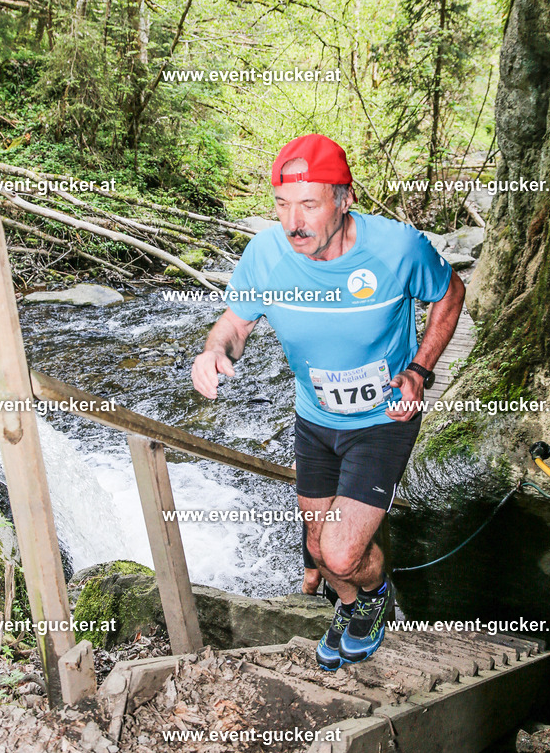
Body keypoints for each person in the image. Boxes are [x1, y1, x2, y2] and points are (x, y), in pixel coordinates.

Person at [191, 134, 465, 670]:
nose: (293, 222)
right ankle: (350, 604)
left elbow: (450, 293)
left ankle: (375, 597)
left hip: (383, 418)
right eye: (282, 205)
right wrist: (213, 351)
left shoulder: (397, 248)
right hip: (314, 419)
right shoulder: (266, 255)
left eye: (309, 205)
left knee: (341, 552)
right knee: (318, 548)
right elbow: (235, 324)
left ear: (345, 199)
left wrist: (418, 371)